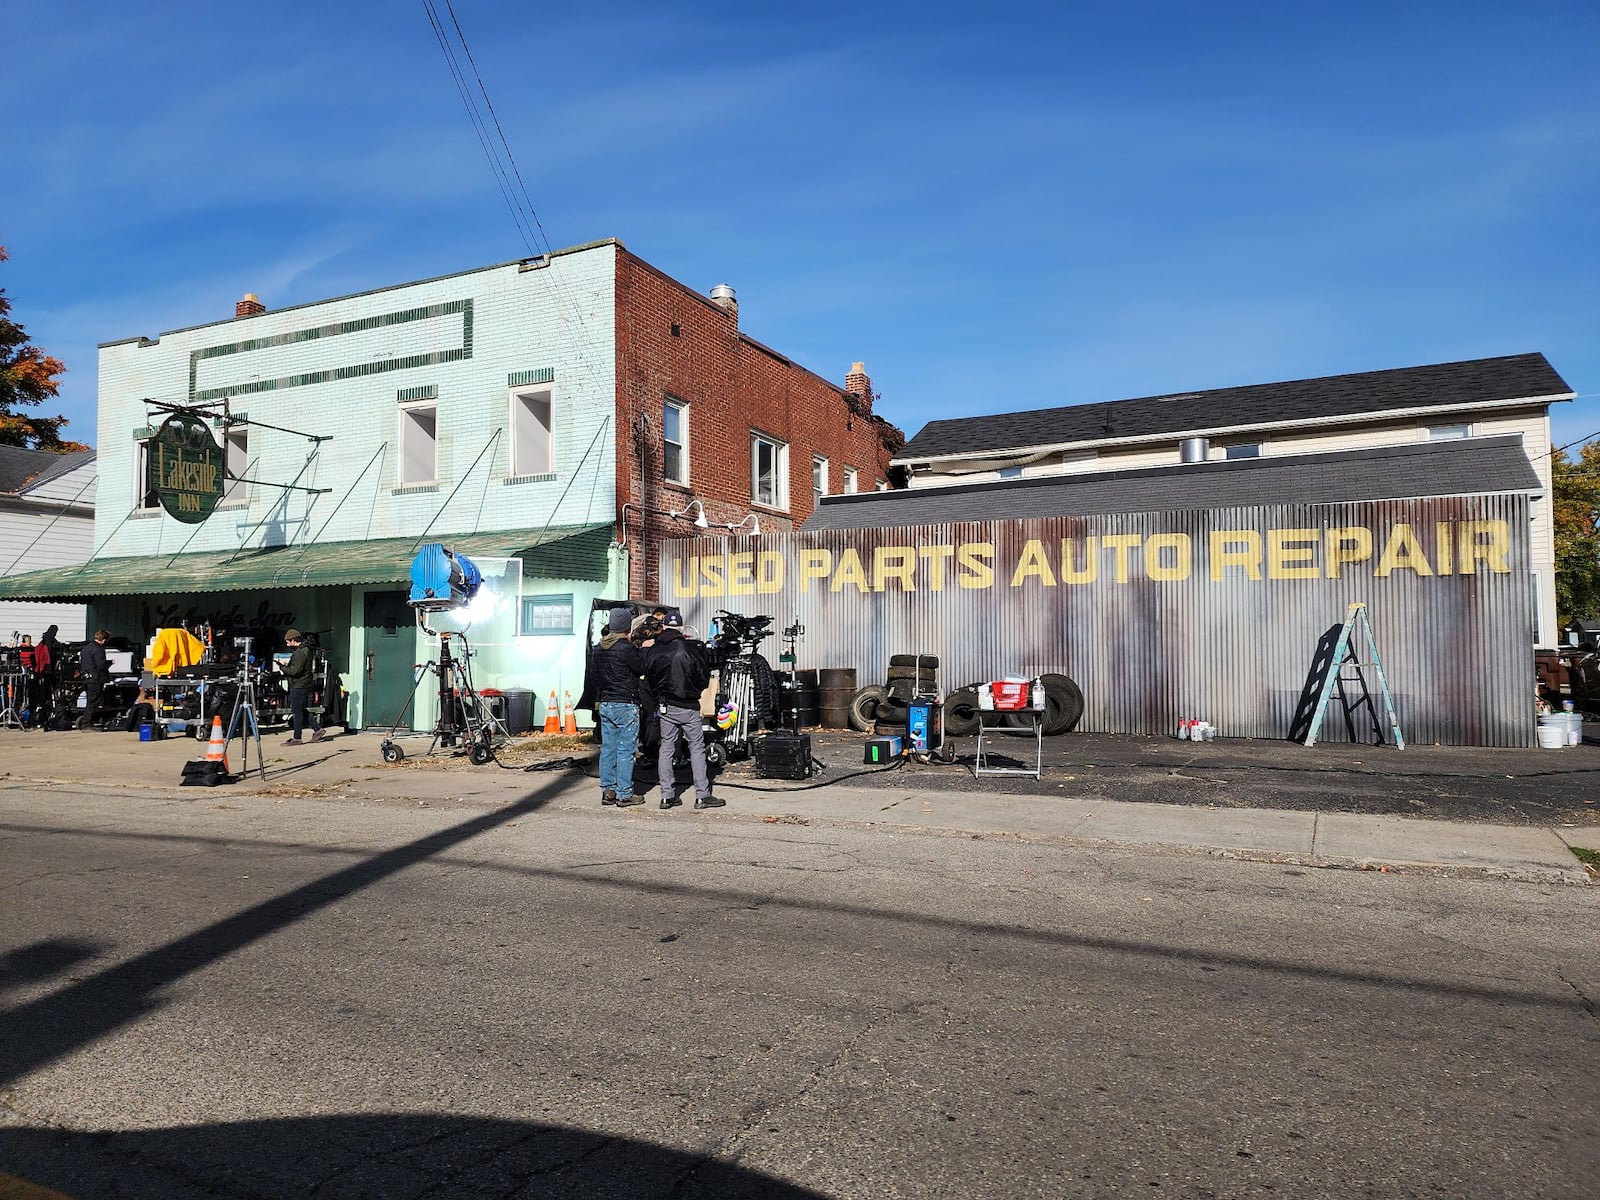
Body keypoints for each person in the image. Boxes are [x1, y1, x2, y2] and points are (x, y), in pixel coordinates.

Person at [644, 613, 722, 810]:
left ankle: (667, 795)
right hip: (687, 704)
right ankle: (702, 795)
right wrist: (694, 692)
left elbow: (649, 678)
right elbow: (702, 676)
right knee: (696, 747)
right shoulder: (689, 649)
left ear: (663, 627)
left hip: (665, 704)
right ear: (681, 628)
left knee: (667, 747)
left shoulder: (654, 650)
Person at [586, 607, 645, 808]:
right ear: (626, 627)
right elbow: (641, 669)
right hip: (626, 703)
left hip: (606, 703)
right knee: (626, 750)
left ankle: (607, 790)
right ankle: (625, 793)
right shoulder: (627, 649)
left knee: (608, 749)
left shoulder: (598, 648)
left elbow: (594, 677)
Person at [281, 629, 325, 746]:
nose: (286, 644)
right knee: (300, 709)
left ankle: (297, 737)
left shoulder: (301, 652)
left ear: (293, 640)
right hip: (304, 683)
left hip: (299, 684)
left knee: (297, 711)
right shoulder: (306, 650)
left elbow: (295, 671)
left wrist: (283, 667)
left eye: (287, 642)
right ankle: (318, 730)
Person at [78, 630, 111, 729]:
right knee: (94, 701)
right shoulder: (98, 649)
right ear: (104, 640)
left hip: (86, 677)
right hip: (95, 678)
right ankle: (87, 724)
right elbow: (100, 664)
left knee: (90, 701)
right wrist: (109, 663)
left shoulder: (86, 648)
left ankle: (87, 722)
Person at [28, 632, 52, 730]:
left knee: (34, 699)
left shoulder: (37, 647)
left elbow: (33, 658)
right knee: (43, 699)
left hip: (36, 673)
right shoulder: (45, 647)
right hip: (43, 674)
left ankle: (33, 721)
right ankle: (43, 720)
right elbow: (48, 660)